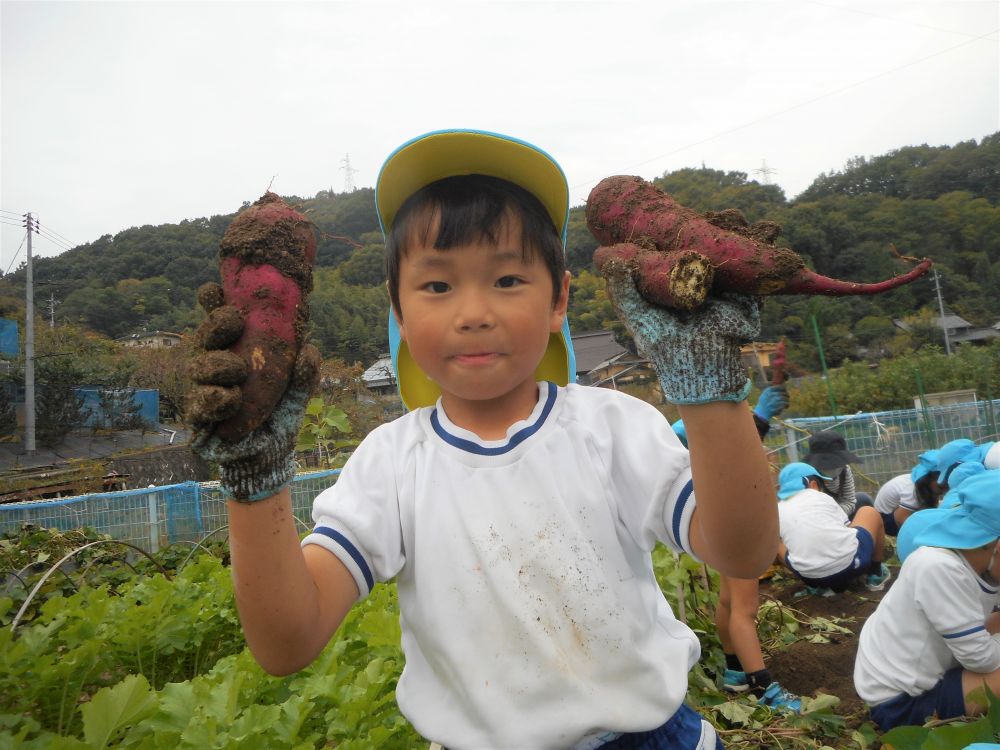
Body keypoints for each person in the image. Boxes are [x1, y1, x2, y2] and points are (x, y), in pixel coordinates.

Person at [187, 129, 777, 749]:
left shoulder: (611, 427)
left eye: (507, 280)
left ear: (559, 300)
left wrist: (710, 387)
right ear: (399, 313)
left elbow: (744, 551)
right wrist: (253, 474)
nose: (473, 312)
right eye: (437, 286)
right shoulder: (390, 464)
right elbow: (288, 642)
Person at [674, 386, 802, 712]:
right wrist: (758, 417)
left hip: (714, 513)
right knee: (745, 608)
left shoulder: (690, 416)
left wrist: (757, 418)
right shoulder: (690, 424)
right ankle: (764, 687)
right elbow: (723, 444)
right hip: (733, 514)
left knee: (730, 599)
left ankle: (734, 671)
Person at [853, 471, 1000, 731]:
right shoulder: (939, 568)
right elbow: (981, 660)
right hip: (903, 704)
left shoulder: (974, 564)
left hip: (932, 675)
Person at [775, 462, 890, 595]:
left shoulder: (778, 510)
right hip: (852, 566)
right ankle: (875, 573)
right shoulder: (821, 497)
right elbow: (846, 527)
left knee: (777, 542)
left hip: (809, 577)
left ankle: (820, 588)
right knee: (868, 511)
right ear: (813, 484)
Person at [802, 430, 871, 519]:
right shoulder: (807, 477)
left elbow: (849, 501)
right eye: (827, 464)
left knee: (863, 499)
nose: (833, 467)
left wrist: (836, 516)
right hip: (818, 518)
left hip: (840, 514)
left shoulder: (845, 470)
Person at [872, 449, 942, 537]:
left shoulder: (924, 484)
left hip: (898, 513)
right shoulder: (911, 489)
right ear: (928, 479)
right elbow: (900, 518)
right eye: (941, 487)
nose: (945, 488)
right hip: (886, 520)